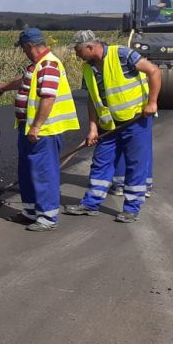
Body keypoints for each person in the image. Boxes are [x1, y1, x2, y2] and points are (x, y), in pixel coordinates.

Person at [66, 30, 161, 223]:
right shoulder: (88, 68)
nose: (76, 55)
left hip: (135, 120)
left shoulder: (122, 55)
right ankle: (90, 203)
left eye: (78, 51)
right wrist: (93, 128)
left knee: (135, 164)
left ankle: (131, 208)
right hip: (108, 125)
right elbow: (92, 99)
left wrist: (152, 102)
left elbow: (154, 71)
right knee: (101, 162)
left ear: (89, 47)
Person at [0, 28, 80, 232]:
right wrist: (2, 87)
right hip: (28, 128)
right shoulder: (37, 65)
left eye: (23, 48)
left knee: (43, 172)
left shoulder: (49, 65)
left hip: (44, 130)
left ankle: (48, 217)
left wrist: (36, 126)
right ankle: (30, 211)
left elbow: (48, 97)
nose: (23, 51)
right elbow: (24, 81)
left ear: (30, 46)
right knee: (27, 170)